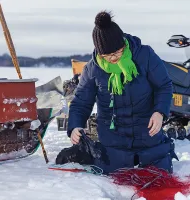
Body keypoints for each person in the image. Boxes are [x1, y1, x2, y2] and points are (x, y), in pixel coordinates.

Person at [67, 11, 178, 174]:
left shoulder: (145, 55)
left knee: (159, 173)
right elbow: (81, 102)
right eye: (106, 55)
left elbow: (164, 86)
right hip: (113, 142)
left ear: (124, 44)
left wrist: (159, 112)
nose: (112, 58)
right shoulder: (92, 69)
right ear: (99, 53)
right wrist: (75, 126)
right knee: (114, 175)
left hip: (147, 135)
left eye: (117, 52)